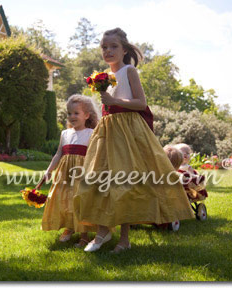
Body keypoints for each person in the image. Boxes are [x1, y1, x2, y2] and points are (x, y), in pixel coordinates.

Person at [73, 28, 194, 253]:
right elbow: (107, 104)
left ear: (124, 49)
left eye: (113, 47)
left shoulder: (129, 71)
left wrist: (114, 102)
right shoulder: (102, 77)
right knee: (99, 178)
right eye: (104, 47)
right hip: (108, 129)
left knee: (125, 182)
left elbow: (140, 103)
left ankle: (124, 240)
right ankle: (102, 230)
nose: (108, 51)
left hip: (127, 130)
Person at [41, 94, 99, 248]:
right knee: (64, 201)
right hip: (65, 174)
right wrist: (49, 170)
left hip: (82, 173)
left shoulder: (91, 133)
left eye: (76, 113)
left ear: (86, 115)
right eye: (69, 113)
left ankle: (84, 235)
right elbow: (59, 154)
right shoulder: (65, 134)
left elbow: (94, 155)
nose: (72, 116)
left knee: (80, 203)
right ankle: (70, 227)